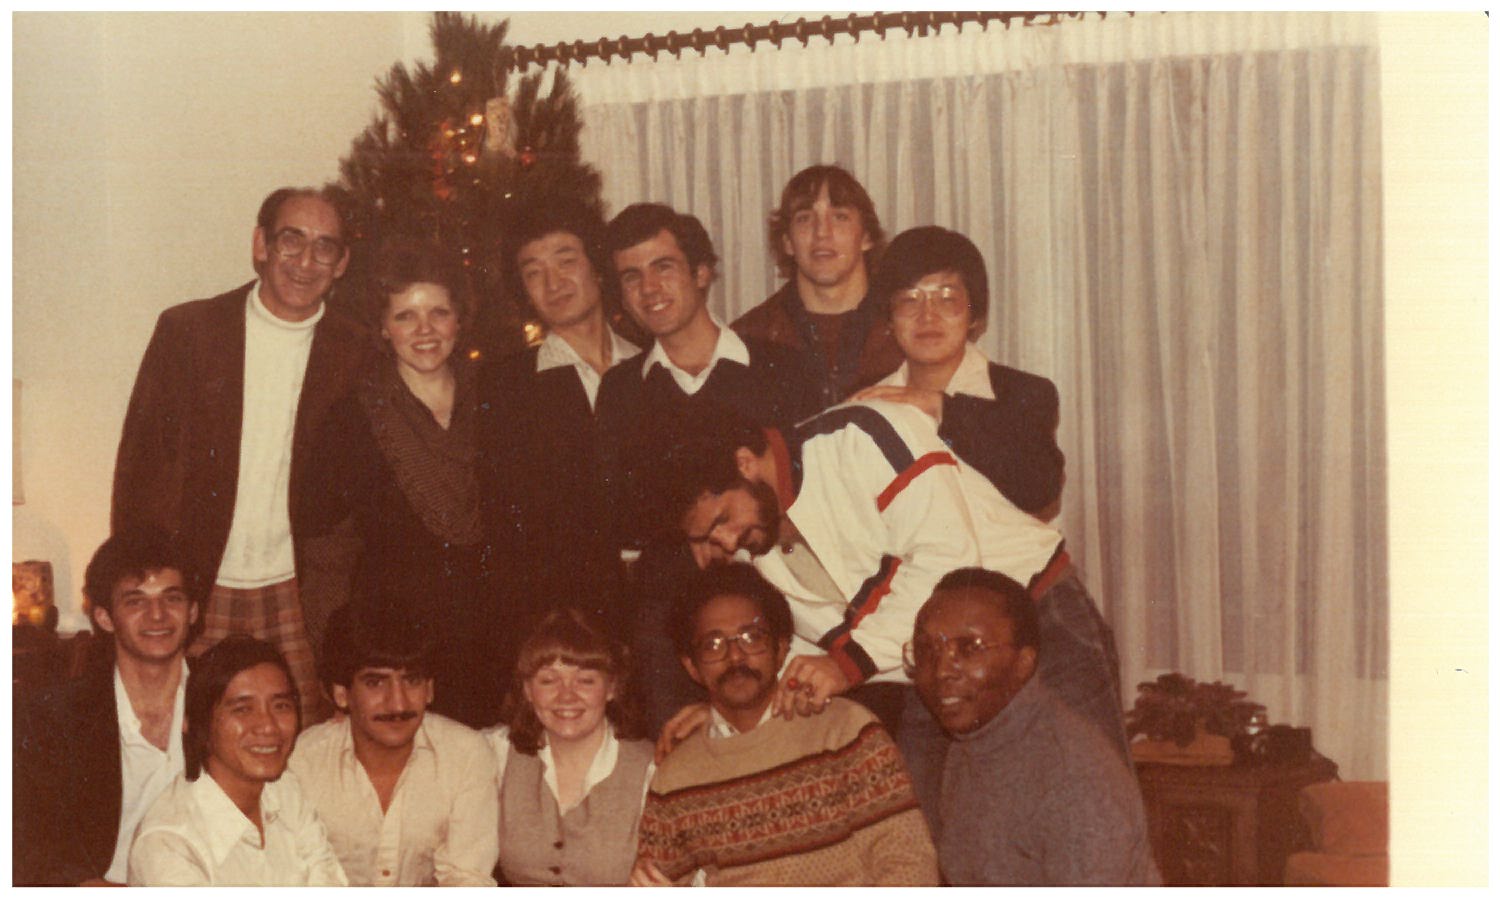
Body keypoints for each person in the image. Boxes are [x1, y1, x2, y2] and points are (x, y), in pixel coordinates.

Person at [659, 400, 1127, 823]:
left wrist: (846, 666)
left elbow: (949, 556)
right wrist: (729, 709)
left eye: (721, 520)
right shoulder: (750, 546)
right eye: (706, 537)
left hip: (1037, 618)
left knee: (1096, 801)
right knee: (927, 831)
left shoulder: (859, 435)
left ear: (746, 463)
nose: (724, 543)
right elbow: (796, 654)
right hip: (922, 669)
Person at [112, 185, 370, 726]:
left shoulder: (357, 352)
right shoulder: (190, 333)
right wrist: (143, 588)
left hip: (299, 590)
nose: (305, 261)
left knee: (303, 742)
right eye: (290, 241)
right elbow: (143, 468)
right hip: (202, 582)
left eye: (325, 247)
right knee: (192, 738)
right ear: (260, 244)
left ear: (342, 262)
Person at [595, 202, 817, 730]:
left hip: (786, 599)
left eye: (663, 267)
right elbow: (620, 520)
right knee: (683, 756)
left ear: (701, 272)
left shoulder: (780, 369)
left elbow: (812, 495)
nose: (649, 289)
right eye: (632, 276)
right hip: (672, 621)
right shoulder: (622, 391)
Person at [632, 563, 938, 886]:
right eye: (713, 644)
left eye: (752, 638)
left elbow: (909, 861)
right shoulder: (675, 778)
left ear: (781, 649)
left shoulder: (847, 733)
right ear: (691, 667)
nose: (735, 656)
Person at [301, 237, 496, 726]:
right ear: (384, 329)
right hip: (397, 662)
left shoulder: (499, 404)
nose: (424, 330)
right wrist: (343, 669)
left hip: (493, 647)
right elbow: (326, 562)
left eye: (439, 312)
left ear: (459, 319)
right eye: (405, 316)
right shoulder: (349, 421)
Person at [908, 568, 1158, 885]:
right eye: (927, 649)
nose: (942, 670)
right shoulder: (970, 745)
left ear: (1024, 663)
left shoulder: (1074, 779)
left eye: (970, 648)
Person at [478, 201, 639, 645]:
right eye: (534, 272)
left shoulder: (650, 365)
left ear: (597, 266)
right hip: (562, 621)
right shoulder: (503, 387)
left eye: (566, 261)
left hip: (659, 608)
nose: (553, 283)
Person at [12, 531, 198, 886]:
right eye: (135, 601)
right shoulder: (55, 716)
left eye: (171, 598)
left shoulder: (223, 701)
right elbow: (27, 840)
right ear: (104, 617)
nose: (157, 615)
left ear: (192, 611)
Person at [856, 225, 1065, 517]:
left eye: (946, 299)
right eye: (909, 300)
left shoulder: (1025, 393)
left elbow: (1037, 489)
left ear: (974, 315)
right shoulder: (868, 400)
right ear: (889, 319)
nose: (927, 316)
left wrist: (941, 407)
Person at [286, 604, 499, 885]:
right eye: (375, 683)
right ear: (341, 694)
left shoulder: (466, 755)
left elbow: (468, 879)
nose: (397, 702)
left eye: (411, 680)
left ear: (430, 689)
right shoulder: (302, 760)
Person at [127, 635, 346, 886]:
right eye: (242, 709)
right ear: (198, 723)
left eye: (281, 706)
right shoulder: (169, 846)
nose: (267, 726)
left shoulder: (283, 788)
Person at [484, 608, 655, 886]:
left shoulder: (651, 768)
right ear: (528, 691)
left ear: (612, 688)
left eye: (586, 680)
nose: (566, 695)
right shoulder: (497, 753)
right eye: (548, 680)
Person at [733, 164, 903, 407]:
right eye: (804, 219)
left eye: (840, 217)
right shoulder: (748, 338)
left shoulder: (908, 330)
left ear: (866, 237)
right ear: (788, 242)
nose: (822, 232)